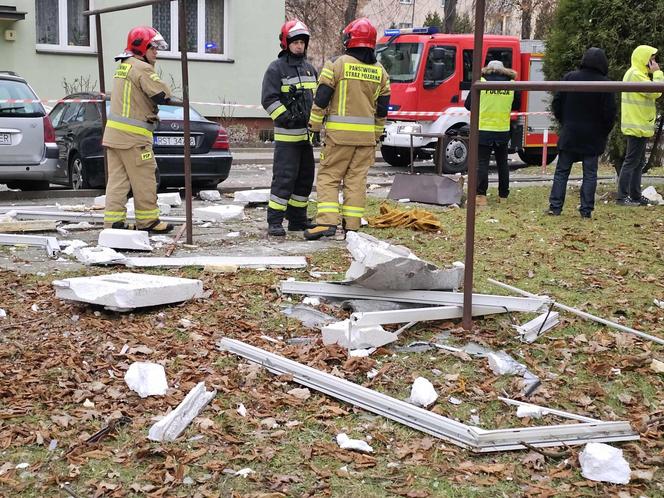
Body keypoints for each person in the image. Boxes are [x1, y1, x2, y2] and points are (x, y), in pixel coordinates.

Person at [304, 17, 390, 240]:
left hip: (339, 137)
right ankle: (352, 227)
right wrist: (376, 134)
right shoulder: (381, 72)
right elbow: (382, 110)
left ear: (350, 40)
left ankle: (326, 223)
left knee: (329, 178)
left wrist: (313, 126)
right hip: (365, 141)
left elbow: (321, 98)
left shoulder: (336, 64)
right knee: (356, 181)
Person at [102, 26, 175, 233]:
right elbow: (163, 94)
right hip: (134, 138)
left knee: (118, 181)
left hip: (114, 136)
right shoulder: (142, 68)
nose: (156, 53)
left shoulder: (123, 65)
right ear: (142, 47)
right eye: (153, 48)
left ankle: (113, 223)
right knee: (145, 179)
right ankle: (149, 221)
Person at [261, 20, 318, 236]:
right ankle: (274, 221)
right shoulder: (276, 69)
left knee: (305, 179)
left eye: (302, 42)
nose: (299, 46)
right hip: (287, 137)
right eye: (295, 42)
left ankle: (297, 220)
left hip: (306, 138)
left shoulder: (310, 69)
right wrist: (286, 117)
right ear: (286, 43)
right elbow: (269, 99)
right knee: (284, 179)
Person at [547, 48, 616, 218]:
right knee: (590, 174)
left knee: (562, 172)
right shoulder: (606, 84)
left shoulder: (570, 78)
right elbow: (609, 113)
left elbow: (556, 103)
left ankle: (555, 207)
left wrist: (566, 122)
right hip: (593, 135)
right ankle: (586, 210)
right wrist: (602, 131)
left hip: (570, 132)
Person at [464, 60, 520, 206]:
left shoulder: (481, 82)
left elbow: (468, 105)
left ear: (488, 69)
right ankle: (503, 196)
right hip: (502, 129)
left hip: (483, 129)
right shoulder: (512, 84)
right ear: (503, 70)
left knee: (482, 163)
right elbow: (516, 105)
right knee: (503, 163)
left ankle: (481, 196)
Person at [616, 45, 663, 207]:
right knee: (631, 162)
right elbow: (655, 91)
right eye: (652, 59)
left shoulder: (638, 74)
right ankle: (622, 197)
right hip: (636, 125)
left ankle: (635, 195)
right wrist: (657, 73)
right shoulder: (635, 74)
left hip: (640, 124)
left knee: (638, 162)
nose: (654, 62)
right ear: (645, 59)